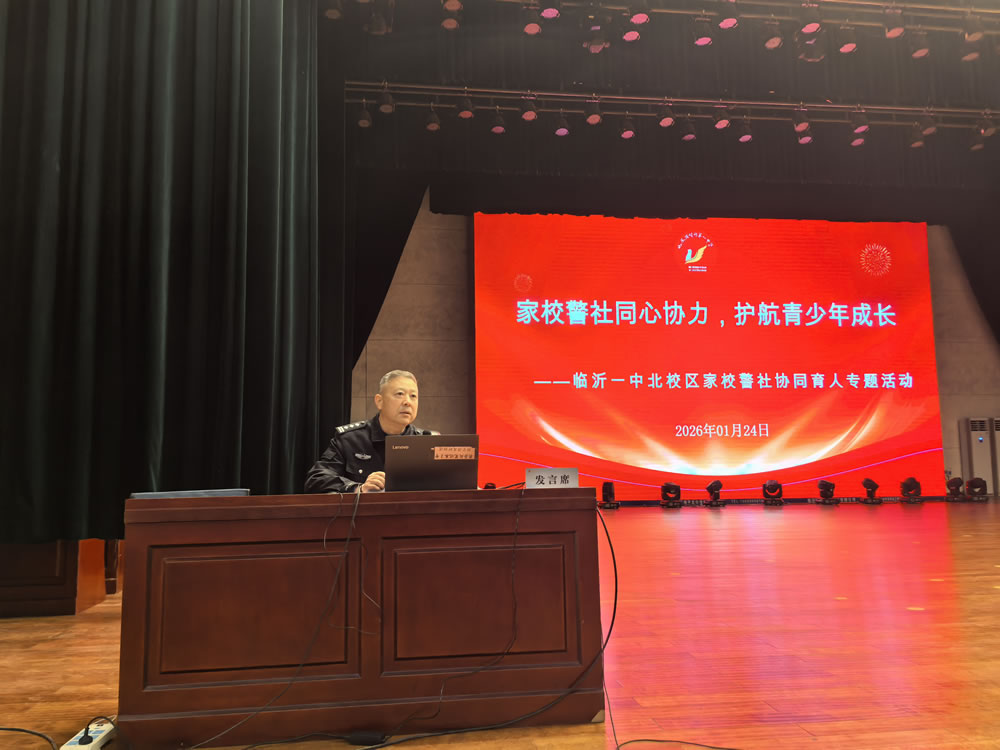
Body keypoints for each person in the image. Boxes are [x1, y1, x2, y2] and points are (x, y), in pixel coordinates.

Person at [304, 370, 434, 493]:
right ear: (379, 401)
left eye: (413, 396)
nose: (407, 402)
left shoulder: (427, 443)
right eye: (399, 394)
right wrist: (358, 489)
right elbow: (316, 479)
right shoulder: (350, 439)